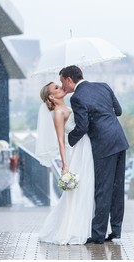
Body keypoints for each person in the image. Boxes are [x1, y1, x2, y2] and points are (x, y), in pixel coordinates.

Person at [59, 65, 129, 244]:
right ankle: (116, 230)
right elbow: (118, 111)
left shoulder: (77, 97)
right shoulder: (103, 86)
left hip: (103, 145)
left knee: (103, 189)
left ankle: (97, 235)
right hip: (120, 140)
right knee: (117, 187)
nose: (63, 87)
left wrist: (70, 141)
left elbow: (82, 127)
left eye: (62, 82)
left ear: (69, 79)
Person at [35, 82, 95, 245]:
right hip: (77, 151)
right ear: (51, 97)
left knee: (87, 187)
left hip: (85, 146)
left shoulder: (69, 106)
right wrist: (65, 165)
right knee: (77, 191)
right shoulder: (58, 113)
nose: (61, 87)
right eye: (56, 88)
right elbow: (61, 141)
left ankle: (85, 226)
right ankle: (72, 228)